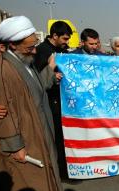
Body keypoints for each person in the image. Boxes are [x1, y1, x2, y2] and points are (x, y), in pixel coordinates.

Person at [0, 16, 62, 191]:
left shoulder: (24, 61)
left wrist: (51, 73)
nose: (35, 50)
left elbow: (36, 89)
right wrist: (16, 147)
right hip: (26, 144)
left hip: (39, 134)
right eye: (30, 47)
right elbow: (2, 113)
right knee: (33, 187)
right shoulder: (3, 70)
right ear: (12, 45)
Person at [33, 20, 73, 180]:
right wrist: (52, 75)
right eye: (64, 39)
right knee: (57, 138)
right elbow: (38, 79)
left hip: (63, 102)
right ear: (54, 36)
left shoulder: (61, 50)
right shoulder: (42, 51)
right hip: (51, 103)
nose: (66, 42)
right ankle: (61, 173)